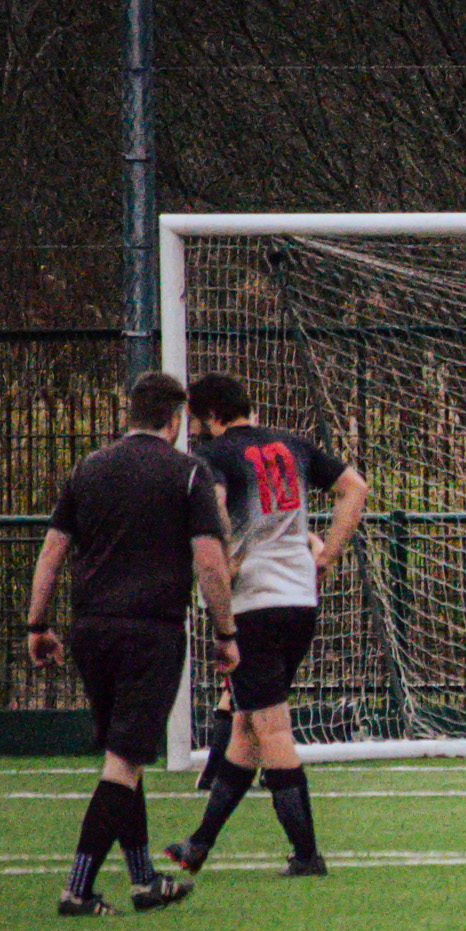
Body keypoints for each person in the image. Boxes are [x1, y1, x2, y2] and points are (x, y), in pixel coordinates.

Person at [24, 371, 238, 917]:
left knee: (127, 754)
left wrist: (37, 625)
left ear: (132, 414)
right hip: (151, 631)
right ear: (172, 420)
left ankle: (145, 882)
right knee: (123, 760)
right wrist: (225, 632)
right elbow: (210, 561)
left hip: (90, 630)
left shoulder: (89, 468)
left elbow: (52, 551)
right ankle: (78, 888)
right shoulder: (187, 473)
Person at [163, 374, 369, 877]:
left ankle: (306, 855)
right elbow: (354, 487)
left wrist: (224, 566)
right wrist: (330, 555)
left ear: (211, 416)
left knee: (271, 728)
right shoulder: (293, 445)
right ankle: (199, 845)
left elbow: (214, 519)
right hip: (300, 602)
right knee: (246, 729)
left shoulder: (216, 456)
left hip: (255, 606)